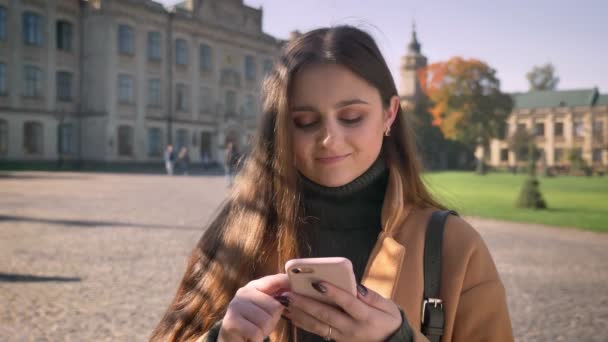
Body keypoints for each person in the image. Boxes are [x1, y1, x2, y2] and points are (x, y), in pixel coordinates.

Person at [151, 26, 513, 342]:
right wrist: (223, 338)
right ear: (281, 128)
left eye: (352, 117)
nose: (329, 139)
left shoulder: (453, 247)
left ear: (390, 113)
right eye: (306, 121)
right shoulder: (237, 233)